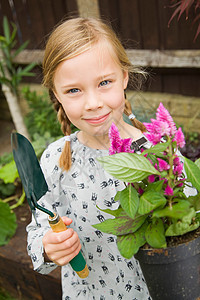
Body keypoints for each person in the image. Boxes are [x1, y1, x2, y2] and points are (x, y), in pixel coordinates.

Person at [26, 17, 151, 300]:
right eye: (74, 90)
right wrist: (49, 247)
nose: (93, 102)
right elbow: (38, 228)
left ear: (124, 77)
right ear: (56, 94)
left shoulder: (156, 151)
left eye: (104, 82)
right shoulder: (56, 159)